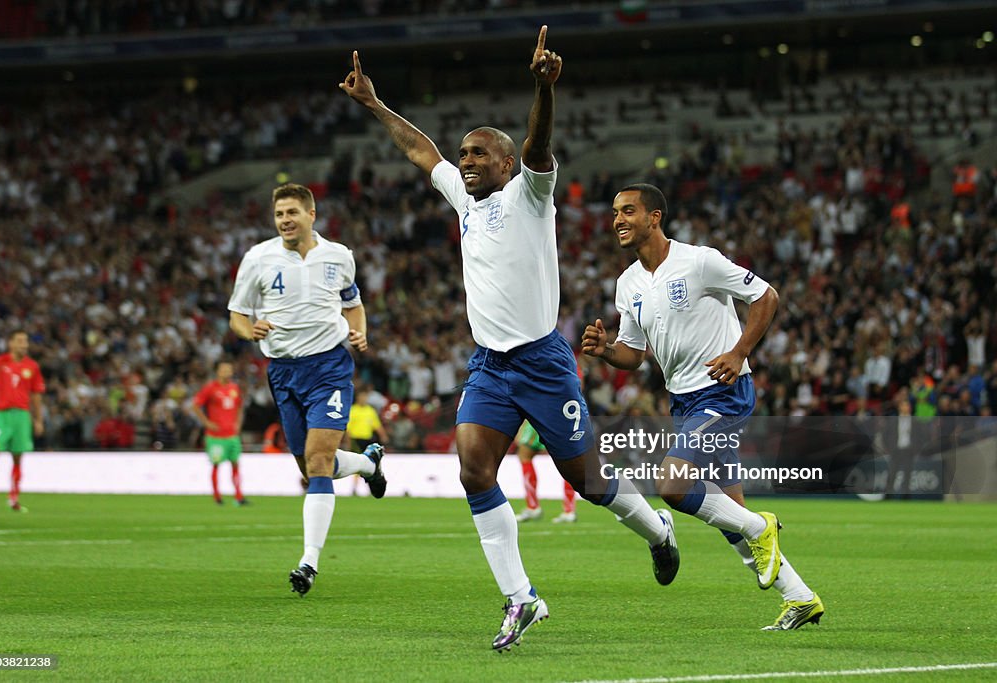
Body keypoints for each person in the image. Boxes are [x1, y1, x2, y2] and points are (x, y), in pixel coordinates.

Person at [342, 26, 678, 651]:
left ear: (505, 162)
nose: (464, 162)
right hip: (489, 366)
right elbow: (421, 150)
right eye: (463, 155)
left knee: (588, 480)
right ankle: (522, 597)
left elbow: (538, 142)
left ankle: (658, 531)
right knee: (473, 471)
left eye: (476, 154)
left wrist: (542, 89)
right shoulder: (465, 205)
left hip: (543, 360)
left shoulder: (531, 193)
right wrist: (373, 103)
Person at [582, 183, 824, 631]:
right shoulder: (628, 284)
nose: (618, 220)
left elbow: (766, 296)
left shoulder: (699, 260)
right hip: (684, 401)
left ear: (654, 217)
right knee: (729, 510)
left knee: (673, 486)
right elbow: (633, 356)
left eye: (628, 211)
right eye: (615, 212)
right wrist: (606, 350)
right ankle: (800, 597)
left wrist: (738, 352)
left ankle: (760, 526)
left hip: (723, 392)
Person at [228, 183, 388, 596]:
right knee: (311, 466)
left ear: (311, 214)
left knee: (318, 462)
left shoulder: (338, 256)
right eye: (279, 214)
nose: (284, 220)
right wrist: (251, 331)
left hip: (329, 367)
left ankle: (309, 562)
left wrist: (359, 333)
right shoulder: (257, 258)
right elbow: (237, 316)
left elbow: (352, 304)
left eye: (292, 212)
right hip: (282, 371)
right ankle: (369, 465)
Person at [0, 330, 45, 513]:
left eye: (25, 341)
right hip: (0, 414)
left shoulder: (32, 366)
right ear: (11, 343)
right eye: (20, 341)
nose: (24, 345)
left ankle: (14, 498)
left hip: (22, 416)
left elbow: (36, 395)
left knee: (18, 457)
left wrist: (38, 420)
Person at [189, 360, 248, 506]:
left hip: (232, 435)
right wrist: (207, 423)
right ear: (218, 372)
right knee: (216, 464)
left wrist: (238, 423)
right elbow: (195, 405)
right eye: (224, 369)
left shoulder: (234, 388)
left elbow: (240, 406)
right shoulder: (210, 388)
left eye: (229, 369)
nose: (228, 372)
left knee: (235, 464)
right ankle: (217, 496)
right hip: (216, 436)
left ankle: (239, 496)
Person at [514, 420, 577, 524]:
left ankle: (533, 507)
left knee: (525, 455)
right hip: (563, 417)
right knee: (568, 458)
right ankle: (569, 511)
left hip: (538, 416)